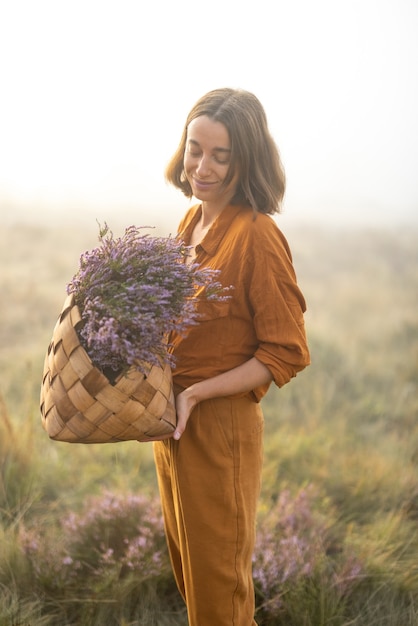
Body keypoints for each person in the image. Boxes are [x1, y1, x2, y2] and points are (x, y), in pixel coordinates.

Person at [152, 88, 310, 626]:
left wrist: (196, 392)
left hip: (218, 427)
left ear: (247, 161)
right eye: (196, 148)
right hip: (171, 426)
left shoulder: (258, 236)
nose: (204, 166)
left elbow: (285, 351)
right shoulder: (188, 227)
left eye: (222, 155)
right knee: (191, 579)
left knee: (221, 594)